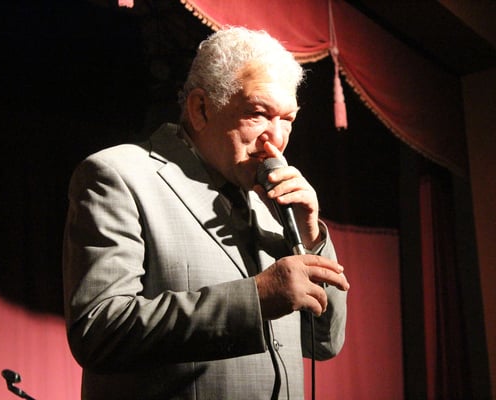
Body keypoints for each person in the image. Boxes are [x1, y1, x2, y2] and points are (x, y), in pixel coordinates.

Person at [62, 26, 349, 400]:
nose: (277, 140)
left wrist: (310, 237)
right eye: (258, 113)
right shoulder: (118, 176)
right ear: (201, 109)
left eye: (288, 119)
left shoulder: (271, 202)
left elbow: (324, 342)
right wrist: (256, 299)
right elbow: (100, 333)